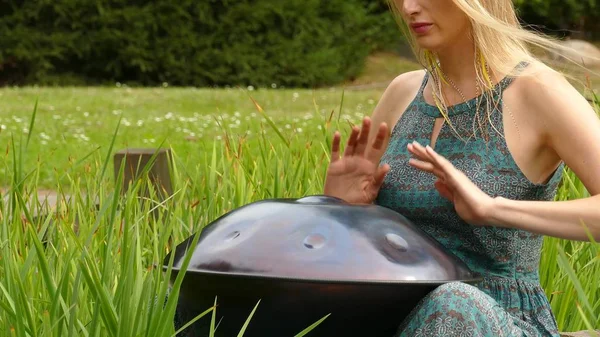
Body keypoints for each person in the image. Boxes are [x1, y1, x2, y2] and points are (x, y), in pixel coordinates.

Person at [323, 0, 600, 336]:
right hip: (395, 309)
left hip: (494, 317)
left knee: (454, 305)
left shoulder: (539, 91)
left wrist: (492, 209)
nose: (410, 8)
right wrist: (343, 210)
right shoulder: (403, 91)